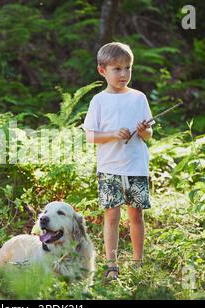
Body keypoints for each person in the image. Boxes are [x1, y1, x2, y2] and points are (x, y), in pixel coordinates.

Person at [82, 42, 153, 282]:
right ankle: (111, 264)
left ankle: (138, 262)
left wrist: (143, 131)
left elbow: (149, 135)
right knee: (111, 216)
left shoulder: (139, 98)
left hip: (136, 166)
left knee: (136, 216)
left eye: (128, 68)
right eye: (117, 69)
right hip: (109, 168)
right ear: (102, 71)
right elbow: (90, 136)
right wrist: (113, 134)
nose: (123, 74)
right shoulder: (99, 101)